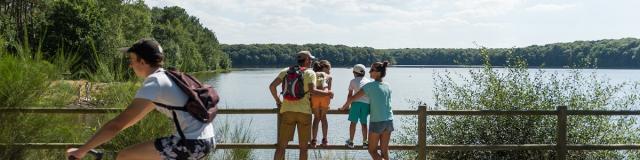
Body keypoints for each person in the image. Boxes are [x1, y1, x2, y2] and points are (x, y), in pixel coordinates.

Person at [66, 39, 215, 160]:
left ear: (142, 61)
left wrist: (81, 151)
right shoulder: (168, 77)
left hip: (189, 143)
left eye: (131, 59)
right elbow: (129, 122)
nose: (130, 65)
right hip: (205, 140)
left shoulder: (155, 82)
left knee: (125, 156)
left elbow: (117, 125)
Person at [269, 51, 333, 160]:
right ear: (307, 60)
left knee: (281, 146)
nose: (312, 61)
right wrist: (328, 93)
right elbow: (313, 91)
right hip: (304, 112)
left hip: (287, 111)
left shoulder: (286, 71)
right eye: (310, 59)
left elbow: (272, 86)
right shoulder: (310, 73)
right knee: (303, 148)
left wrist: (278, 101)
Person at [341, 61, 393, 160]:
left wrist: (343, 107)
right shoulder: (388, 86)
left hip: (377, 121)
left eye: (372, 70)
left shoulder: (369, 86)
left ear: (378, 72)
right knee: (384, 151)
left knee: (372, 150)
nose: (369, 72)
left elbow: (353, 98)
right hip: (389, 120)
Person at [339, 64, 371, 149]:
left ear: (355, 72)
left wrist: (346, 106)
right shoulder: (369, 81)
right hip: (366, 104)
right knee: (364, 123)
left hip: (355, 103)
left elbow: (350, 95)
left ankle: (351, 141)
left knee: (353, 122)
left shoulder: (353, 81)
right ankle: (365, 142)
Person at [310, 60, 333, 148]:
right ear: (324, 67)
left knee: (316, 118)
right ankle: (325, 140)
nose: (330, 71)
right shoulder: (329, 76)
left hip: (315, 96)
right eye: (329, 69)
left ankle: (314, 140)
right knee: (323, 118)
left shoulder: (313, 74)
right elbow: (329, 91)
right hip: (325, 96)